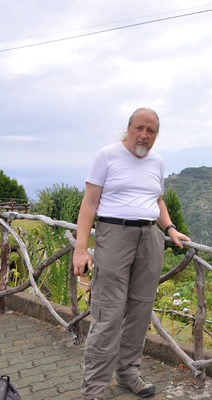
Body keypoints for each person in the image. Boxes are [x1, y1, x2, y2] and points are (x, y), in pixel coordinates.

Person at [73, 108, 190, 400]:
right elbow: (89, 204)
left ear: (156, 135)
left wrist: (171, 229)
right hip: (114, 235)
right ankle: (94, 389)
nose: (144, 135)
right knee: (107, 314)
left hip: (150, 237)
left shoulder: (157, 162)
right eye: (139, 128)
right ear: (128, 128)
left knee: (140, 310)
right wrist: (80, 248)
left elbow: (157, 200)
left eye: (151, 131)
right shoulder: (107, 155)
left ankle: (127, 373)